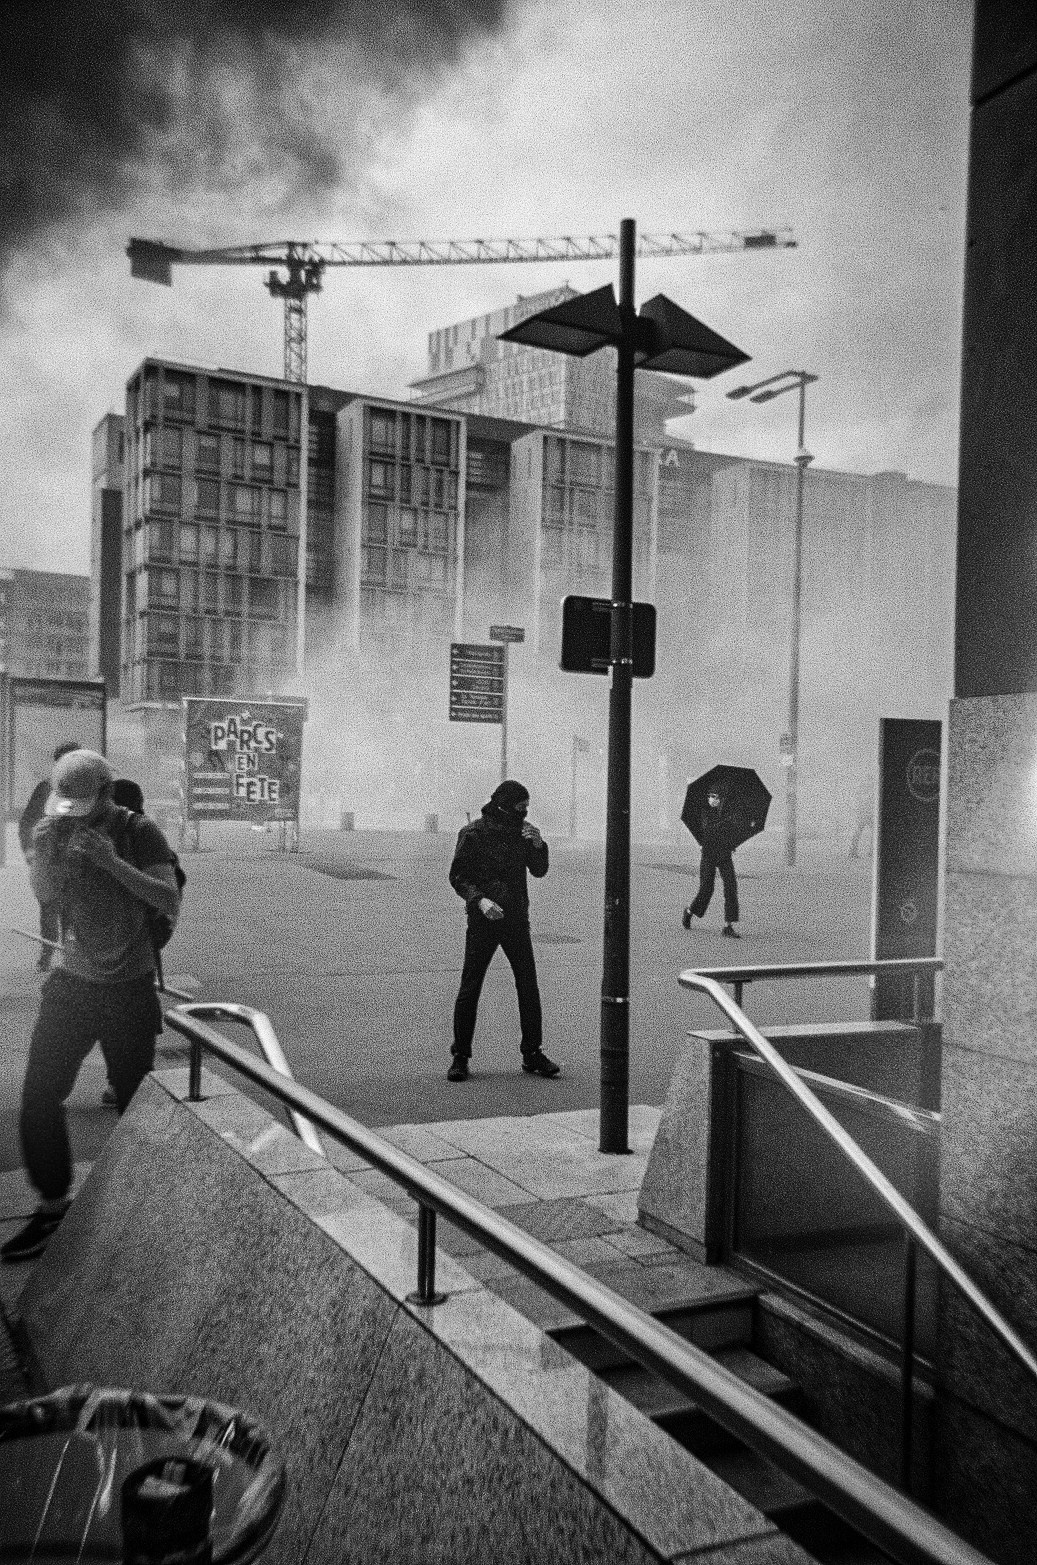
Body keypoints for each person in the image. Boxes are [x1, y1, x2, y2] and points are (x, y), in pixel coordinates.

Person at [1, 750, 182, 1264]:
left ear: (106, 792)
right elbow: (48, 897)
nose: (76, 813)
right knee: (38, 1095)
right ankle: (53, 1206)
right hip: (73, 982)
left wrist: (111, 862)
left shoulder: (139, 831)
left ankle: (139, 1203)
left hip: (128, 986)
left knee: (134, 1106)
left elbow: (167, 899)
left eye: (86, 803)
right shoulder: (56, 824)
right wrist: (41, 859)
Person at [447, 779, 559, 1082]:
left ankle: (532, 1052)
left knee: (528, 985)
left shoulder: (522, 832)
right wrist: (479, 900)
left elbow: (539, 870)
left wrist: (538, 845)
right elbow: (458, 875)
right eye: (519, 808)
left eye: (526, 808)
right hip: (484, 919)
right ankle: (460, 1054)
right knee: (471, 985)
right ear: (503, 806)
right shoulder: (473, 833)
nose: (524, 814)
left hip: (516, 919)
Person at [18, 741, 81, 971]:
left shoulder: (88, 789)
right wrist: (30, 850)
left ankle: (69, 960)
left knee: (71, 913)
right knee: (49, 910)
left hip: (76, 862)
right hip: (49, 862)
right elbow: (27, 822)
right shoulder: (45, 789)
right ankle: (47, 955)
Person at [682, 788, 742, 938]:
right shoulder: (704, 812)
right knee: (706, 889)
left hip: (724, 855)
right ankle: (690, 911)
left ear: (721, 799)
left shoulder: (727, 813)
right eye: (710, 796)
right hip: (709, 855)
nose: (712, 799)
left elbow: (732, 832)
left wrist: (732, 843)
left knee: (731, 887)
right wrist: (725, 823)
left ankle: (728, 925)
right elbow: (709, 830)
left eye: (715, 797)